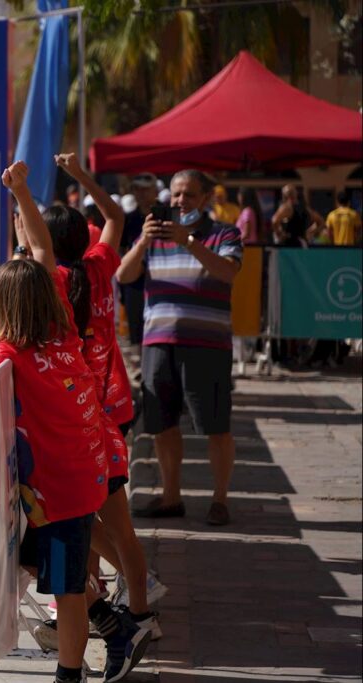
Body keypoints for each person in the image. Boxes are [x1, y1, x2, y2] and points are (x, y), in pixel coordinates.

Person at [0, 161, 148, 683]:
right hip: (83, 476)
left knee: (65, 591)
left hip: (61, 491)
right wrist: (20, 193)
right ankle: (115, 624)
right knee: (36, 563)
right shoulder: (61, 327)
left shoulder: (8, 353)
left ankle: (70, 673)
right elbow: (42, 251)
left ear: (6, 307)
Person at [49, 153, 159, 642]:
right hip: (116, 404)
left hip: (83, 415)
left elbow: (35, 243)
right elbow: (115, 216)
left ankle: (121, 600)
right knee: (110, 520)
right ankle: (115, 601)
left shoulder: (51, 283)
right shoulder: (99, 265)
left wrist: (22, 199)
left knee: (89, 519)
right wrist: (81, 176)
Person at [117, 169, 243, 527]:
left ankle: (220, 499)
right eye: (175, 194)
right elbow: (124, 276)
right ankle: (171, 497)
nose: (180, 201)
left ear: (205, 199)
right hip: (159, 343)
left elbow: (228, 272)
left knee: (216, 425)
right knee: (161, 424)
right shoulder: (153, 235)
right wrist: (142, 242)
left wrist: (189, 241)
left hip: (207, 344)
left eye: (188, 194)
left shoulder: (225, 233)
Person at [119, 173, 157, 349]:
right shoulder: (129, 219)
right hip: (135, 281)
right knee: (138, 330)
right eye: (137, 189)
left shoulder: (164, 215)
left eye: (145, 190)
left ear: (154, 191)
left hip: (160, 278)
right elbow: (122, 249)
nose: (141, 194)